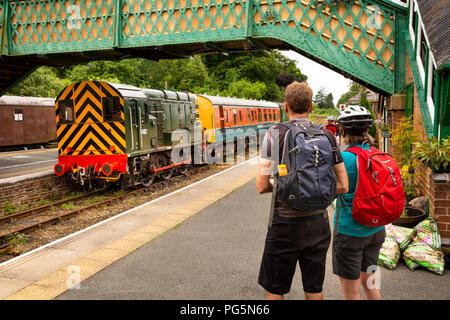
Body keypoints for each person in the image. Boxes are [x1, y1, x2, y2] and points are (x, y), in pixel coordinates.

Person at [256, 81, 349, 300]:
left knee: (275, 288)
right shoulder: (327, 136)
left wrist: (287, 186)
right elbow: (343, 185)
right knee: (314, 288)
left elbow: (261, 185)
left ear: (285, 105)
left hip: (284, 224)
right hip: (318, 223)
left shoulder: (274, 134)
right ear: (312, 107)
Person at [333, 105, 385, 300]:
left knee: (351, 293)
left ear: (343, 131)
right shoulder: (377, 155)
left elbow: (329, 190)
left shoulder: (343, 158)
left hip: (349, 234)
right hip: (376, 231)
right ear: (367, 130)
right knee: (372, 285)